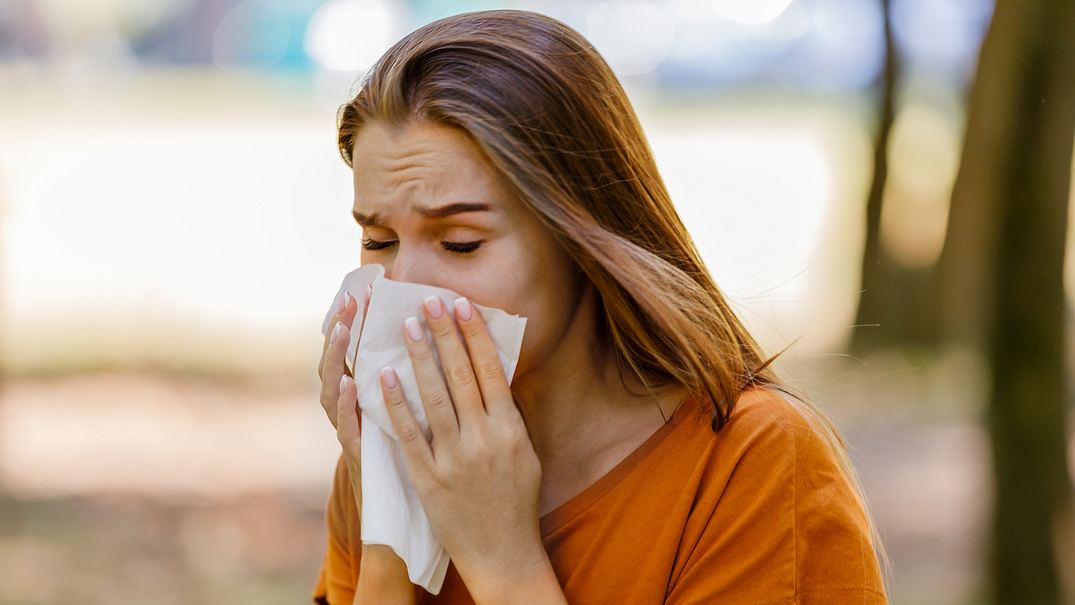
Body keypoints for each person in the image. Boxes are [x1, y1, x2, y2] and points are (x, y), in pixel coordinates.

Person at [313, 9, 889, 604]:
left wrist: (502, 561)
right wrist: (390, 528)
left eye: (461, 243)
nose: (402, 286)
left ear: (581, 239)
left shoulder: (754, 466)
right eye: (379, 242)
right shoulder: (390, 452)